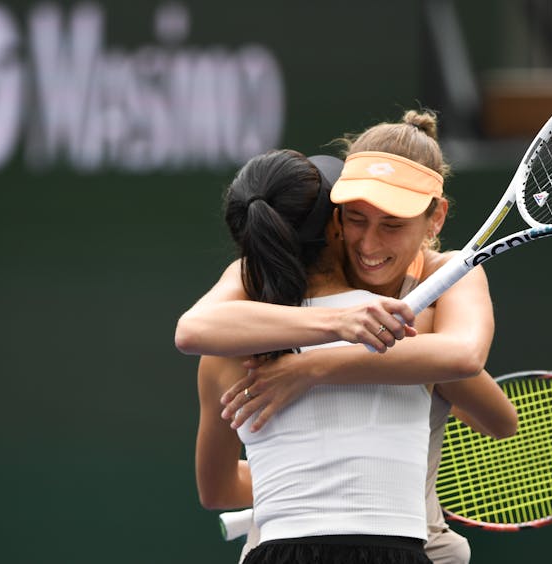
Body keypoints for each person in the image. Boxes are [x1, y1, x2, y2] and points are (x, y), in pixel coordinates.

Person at [178, 111, 517, 563]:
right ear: (334, 219)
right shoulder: (254, 285)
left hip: (413, 535)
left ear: (435, 219)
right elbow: (192, 330)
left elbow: (470, 367)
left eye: (393, 224)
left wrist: (316, 367)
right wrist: (307, 483)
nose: (370, 245)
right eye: (357, 219)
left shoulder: (443, 291)